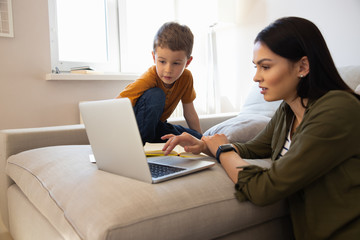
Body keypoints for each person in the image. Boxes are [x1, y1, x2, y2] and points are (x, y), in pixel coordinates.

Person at [161, 17, 360, 239]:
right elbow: (252, 148)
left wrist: (222, 150)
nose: (256, 77)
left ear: (303, 66)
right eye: (256, 67)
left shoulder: (338, 110)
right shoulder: (287, 111)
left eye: (265, 66)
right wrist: (205, 145)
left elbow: (265, 188)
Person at [116, 22, 202, 144]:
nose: (168, 70)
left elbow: (190, 112)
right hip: (136, 128)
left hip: (157, 126)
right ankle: (142, 146)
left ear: (187, 62)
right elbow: (118, 103)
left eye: (176, 63)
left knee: (194, 137)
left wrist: (200, 141)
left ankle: (155, 142)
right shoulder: (150, 77)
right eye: (162, 62)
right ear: (154, 57)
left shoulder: (186, 78)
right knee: (156, 95)